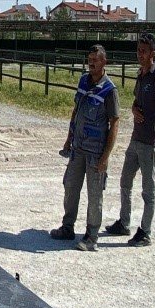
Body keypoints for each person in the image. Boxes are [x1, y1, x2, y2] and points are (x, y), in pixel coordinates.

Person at [50, 45, 120, 251]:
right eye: (89, 59)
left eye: (95, 60)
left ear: (104, 62)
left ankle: (92, 236)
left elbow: (115, 122)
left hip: (96, 151)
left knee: (94, 193)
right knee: (70, 186)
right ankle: (67, 227)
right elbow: (76, 110)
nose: (91, 63)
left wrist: (106, 156)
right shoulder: (83, 81)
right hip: (78, 147)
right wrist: (68, 138)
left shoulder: (110, 90)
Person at [106, 33, 155, 247]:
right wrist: (134, 109)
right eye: (138, 50)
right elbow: (136, 101)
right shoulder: (141, 75)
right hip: (136, 138)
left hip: (150, 141)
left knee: (148, 189)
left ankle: (145, 231)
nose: (140, 55)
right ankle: (124, 222)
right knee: (125, 180)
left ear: (153, 53)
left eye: (144, 51)